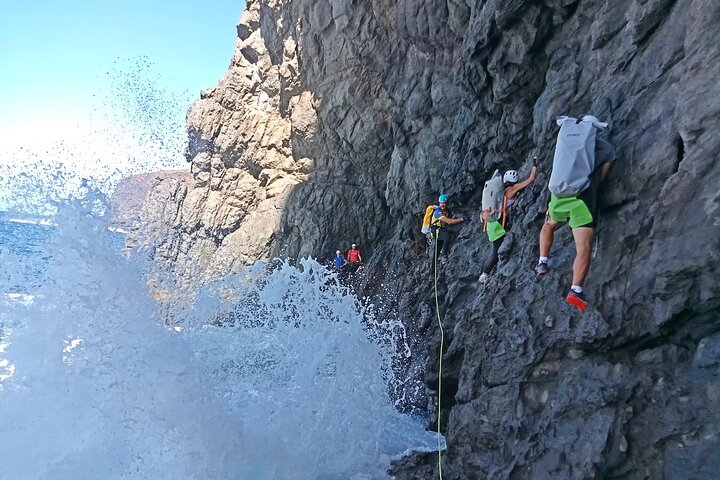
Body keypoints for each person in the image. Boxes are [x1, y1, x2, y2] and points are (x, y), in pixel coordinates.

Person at [535, 115, 616, 312]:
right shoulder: (606, 148)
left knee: (549, 224)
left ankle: (542, 262)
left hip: (557, 194)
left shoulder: (566, 141)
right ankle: (575, 290)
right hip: (581, 198)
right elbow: (604, 176)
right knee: (583, 248)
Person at [479, 161, 537, 283]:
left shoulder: (501, 193)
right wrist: (534, 165)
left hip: (493, 223)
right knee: (495, 252)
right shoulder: (511, 190)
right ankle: (484, 274)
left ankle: (486, 273)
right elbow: (531, 179)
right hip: (497, 226)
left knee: (496, 249)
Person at [429, 194, 465, 261]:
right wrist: (461, 219)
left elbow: (448, 219)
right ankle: (443, 255)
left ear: (447, 203)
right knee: (447, 236)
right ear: (439, 203)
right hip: (435, 231)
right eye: (441, 203)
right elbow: (449, 221)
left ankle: (437, 263)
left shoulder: (446, 211)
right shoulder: (437, 212)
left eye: (444, 203)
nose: (442, 205)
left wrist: (454, 219)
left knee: (437, 250)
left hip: (441, 230)